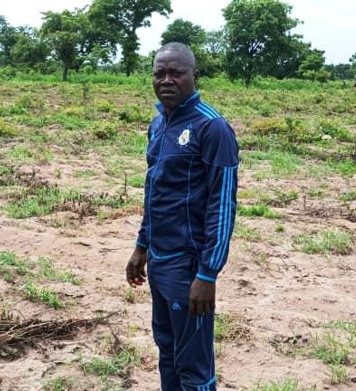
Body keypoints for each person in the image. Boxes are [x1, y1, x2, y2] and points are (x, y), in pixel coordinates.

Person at [126, 42, 239, 391]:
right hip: (159, 259)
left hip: (188, 265)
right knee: (167, 349)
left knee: (194, 365)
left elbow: (222, 204)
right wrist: (141, 246)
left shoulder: (212, 128)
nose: (167, 80)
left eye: (176, 73)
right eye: (159, 74)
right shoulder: (159, 123)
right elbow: (155, 190)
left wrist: (208, 273)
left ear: (194, 76)